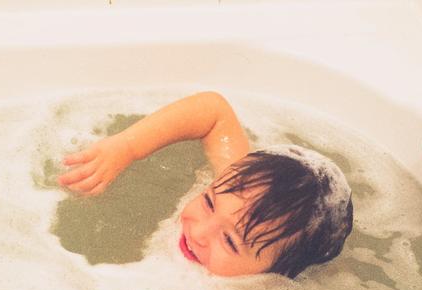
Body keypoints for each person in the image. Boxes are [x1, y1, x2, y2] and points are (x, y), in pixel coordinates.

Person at [58, 92, 353, 278]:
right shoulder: (238, 192)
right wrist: (127, 147)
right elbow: (213, 111)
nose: (198, 232)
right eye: (209, 202)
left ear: (277, 277)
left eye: (229, 241)